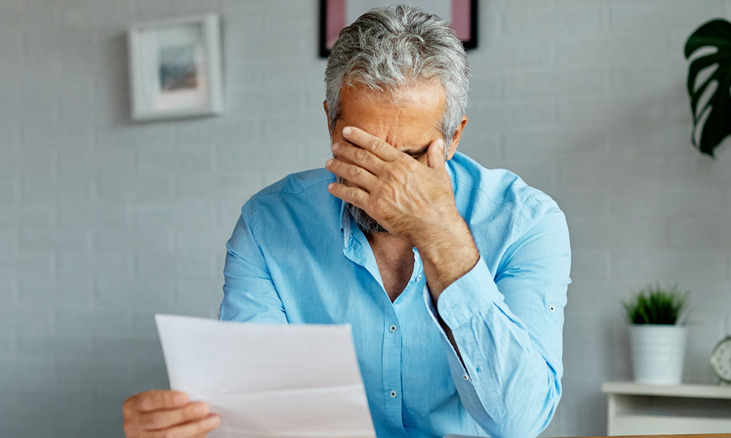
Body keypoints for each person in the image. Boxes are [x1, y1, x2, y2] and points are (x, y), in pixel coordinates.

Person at [123, 5, 571, 438]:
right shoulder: (268, 225)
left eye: (410, 157)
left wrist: (440, 234)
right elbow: (256, 411)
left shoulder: (526, 222)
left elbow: (519, 422)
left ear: (453, 137)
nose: (386, 183)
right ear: (330, 123)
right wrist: (193, 426)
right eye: (361, 148)